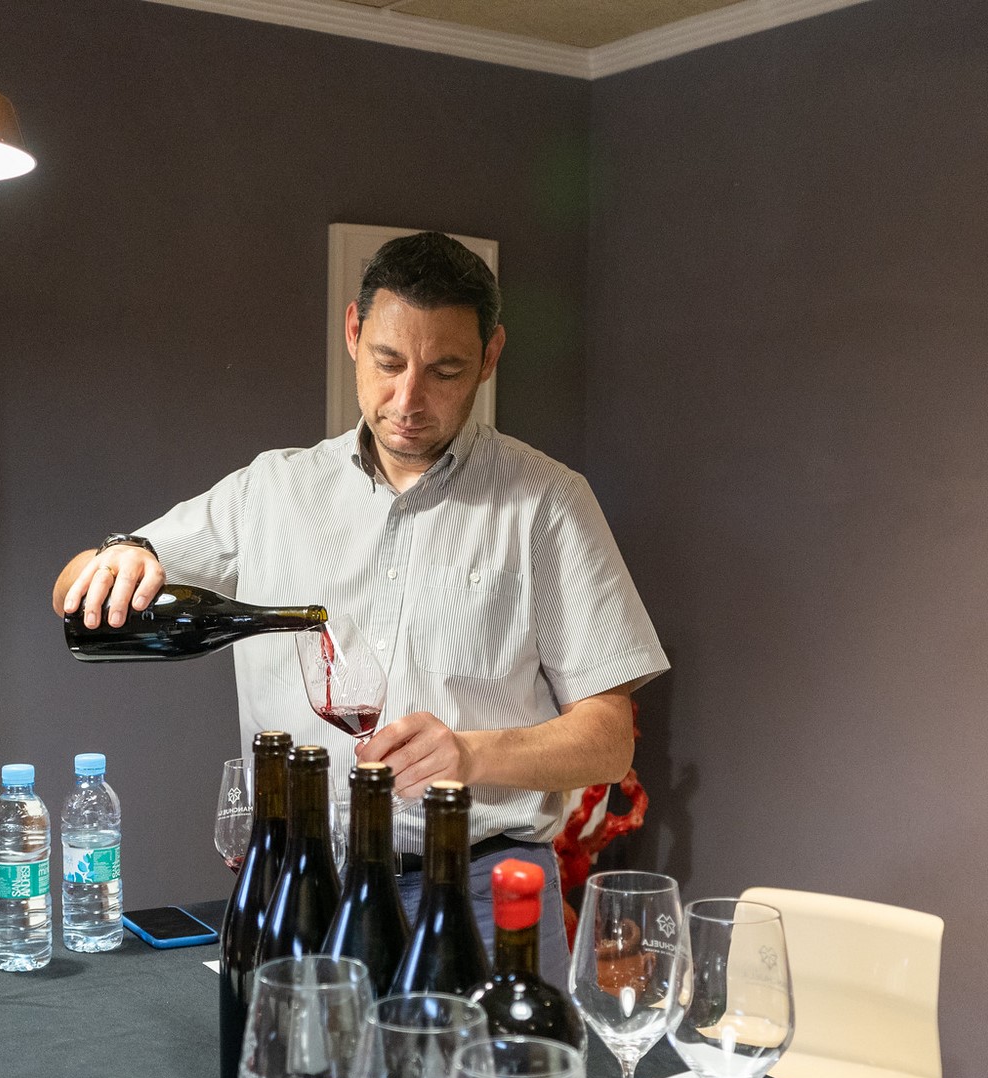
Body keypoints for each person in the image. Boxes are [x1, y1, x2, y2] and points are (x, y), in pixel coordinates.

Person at [52, 232, 667, 984]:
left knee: (495, 1070)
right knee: (286, 1068)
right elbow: (76, 586)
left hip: (477, 892)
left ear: (491, 355)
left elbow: (608, 741)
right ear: (352, 331)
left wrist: (472, 754)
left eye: (445, 371)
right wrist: (117, 557)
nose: (408, 401)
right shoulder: (270, 491)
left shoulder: (549, 503)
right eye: (388, 361)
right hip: (300, 888)